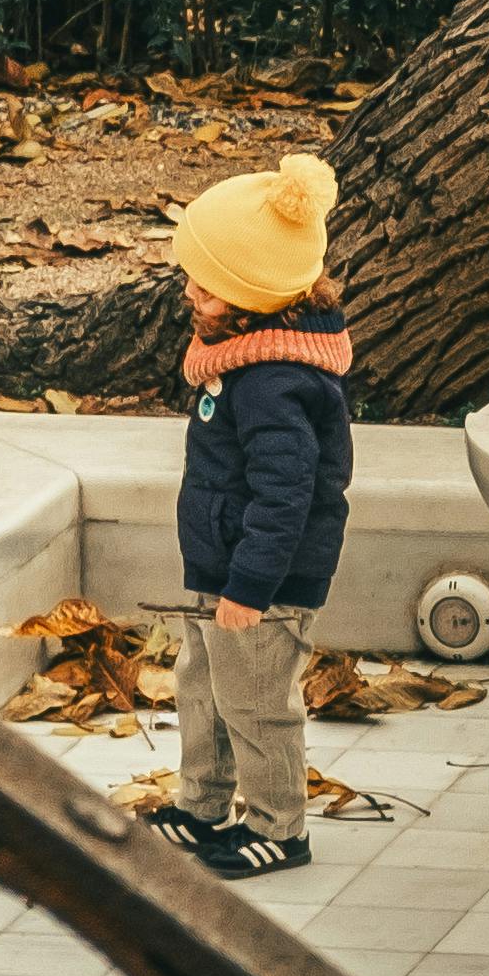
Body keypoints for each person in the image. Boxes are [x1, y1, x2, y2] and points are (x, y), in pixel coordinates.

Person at [146, 149, 351, 881]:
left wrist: (251, 587)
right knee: (203, 691)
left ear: (251, 297)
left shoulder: (274, 384)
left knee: (258, 705)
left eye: (207, 286)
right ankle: (202, 806)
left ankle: (277, 826)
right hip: (221, 568)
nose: (190, 291)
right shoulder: (237, 356)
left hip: (264, 583)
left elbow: (287, 495)